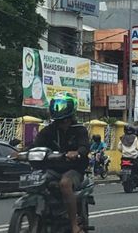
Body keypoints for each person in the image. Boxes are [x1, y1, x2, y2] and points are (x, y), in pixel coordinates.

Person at [32, 92, 89, 233]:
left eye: (62, 105)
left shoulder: (79, 130)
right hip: (52, 168)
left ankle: (74, 224)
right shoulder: (49, 130)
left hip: (74, 169)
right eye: (56, 105)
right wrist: (20, 153)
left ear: (71, 108)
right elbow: (35, 145)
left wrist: (77, 153)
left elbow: (84, 147)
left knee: (65, 184)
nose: (59, 109)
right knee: (35, 181)